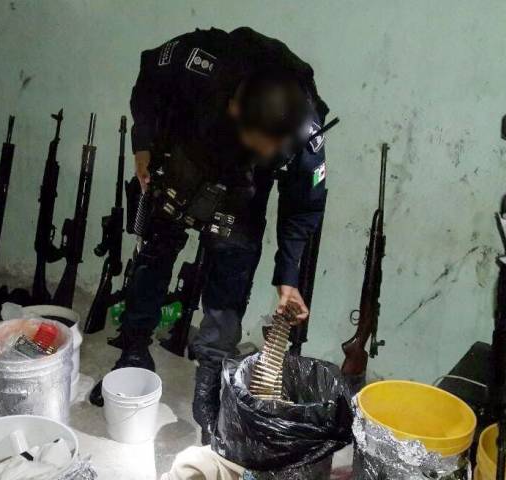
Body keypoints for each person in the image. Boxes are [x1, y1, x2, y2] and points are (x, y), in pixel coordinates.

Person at [90, 27, 329, 443]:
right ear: (235, 107)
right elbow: (150, 76)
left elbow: (303, 206)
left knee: (232, 275)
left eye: (272, 147)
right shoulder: (201, 62)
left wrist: (288, 278)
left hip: (244, 189)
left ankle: (210, 382)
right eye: (260, 141)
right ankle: (133, 350)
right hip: (184, 156)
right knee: (154, 253)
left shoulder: (305, 131)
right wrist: (143, 142)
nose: (267, 151)